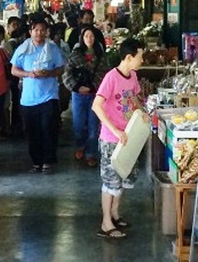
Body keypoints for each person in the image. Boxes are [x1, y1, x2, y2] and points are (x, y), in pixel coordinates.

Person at [91, 38, 147, 239]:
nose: (142, 60)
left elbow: (134, 97)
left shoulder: (132, 75)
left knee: (125, 177)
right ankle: (106, 222)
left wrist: (141, 112)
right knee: (111, 180)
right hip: (111, 138)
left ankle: (115, 213)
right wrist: (115, 131)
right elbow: (96, 106)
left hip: (129, 135)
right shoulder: (111, 78)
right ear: (129, 57)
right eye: (140, 56)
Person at [10, 16, 65, 174]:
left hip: (49, 96)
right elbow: (14, 70)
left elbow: (61, 69)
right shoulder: (23, 49)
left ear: (46, 32)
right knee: (32, 131)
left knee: (48, 128)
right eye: (36, 30)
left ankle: (48, 160)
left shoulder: (52, 48)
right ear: (30, 32)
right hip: (28, 99)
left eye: (42, 30)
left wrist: (49, 73)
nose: (39, 33)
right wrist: (28, 74)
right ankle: (36, 161)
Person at [63, 27, 110, 167]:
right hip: (78, 95)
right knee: (78, 125)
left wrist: (94, 88)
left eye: (92, 36)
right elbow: (66, 74)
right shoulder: (75, 55)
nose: (89, 39)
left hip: (96, 96)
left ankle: (91, 154)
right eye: (86, 36)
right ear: (82, 39)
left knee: (93, 127)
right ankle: (80, 145)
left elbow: (105, 74)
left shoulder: (101, 55)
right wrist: (77, 87)